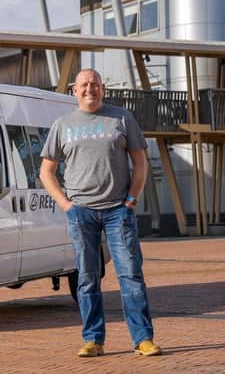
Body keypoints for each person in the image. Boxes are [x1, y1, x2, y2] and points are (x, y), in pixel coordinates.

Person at [39, 68, 161, 357]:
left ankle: (142, 339)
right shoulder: (62, 124)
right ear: (73, 90)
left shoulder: (121, 117)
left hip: (119, 210)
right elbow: (46, 172)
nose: (89, 89)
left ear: (103, 89)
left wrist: (131, 199)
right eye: (83, 85)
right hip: (81, 213)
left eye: (94, 84)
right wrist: (67, 206)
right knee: (87, 278)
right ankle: (93, 339)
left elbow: (141, 163)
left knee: (130, 275)